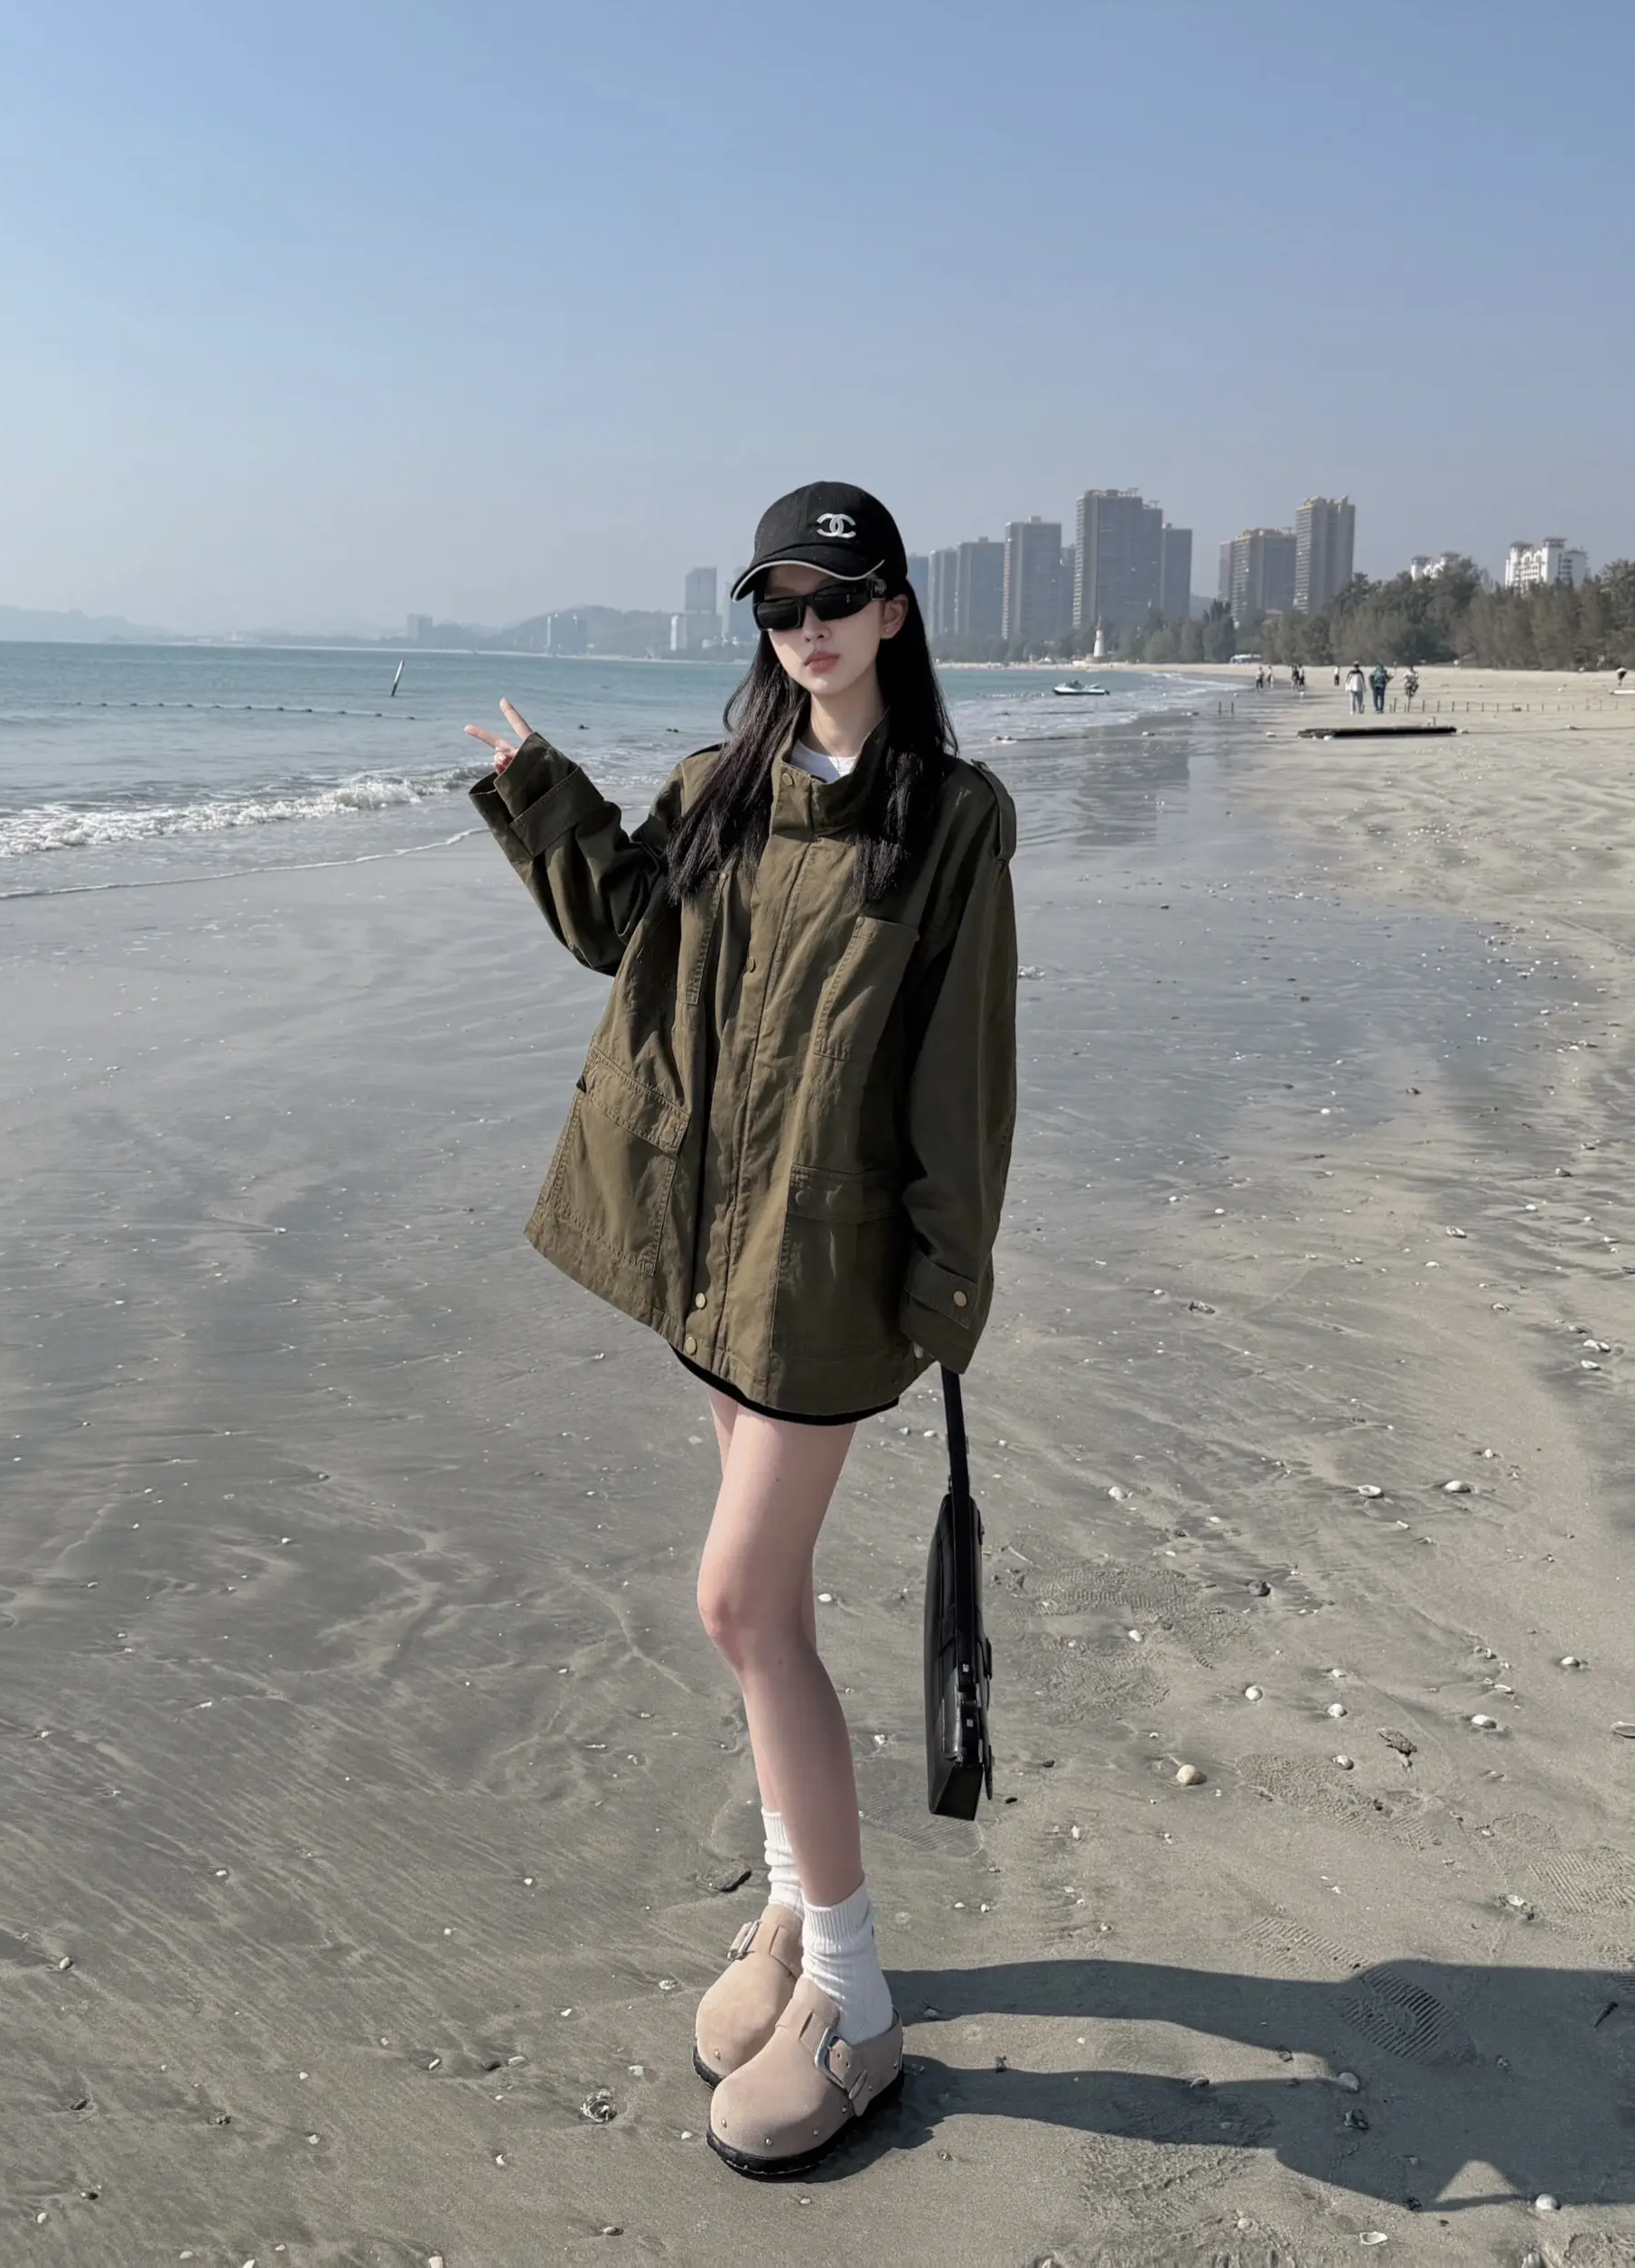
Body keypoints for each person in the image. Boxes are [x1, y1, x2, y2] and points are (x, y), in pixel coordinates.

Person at [465, 482, 1017, 2177]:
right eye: (780, 604)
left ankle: (853, 2001)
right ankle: (790, 1915)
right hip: (711, 1261)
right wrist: (542, 793)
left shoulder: (952, 821)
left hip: (827, 1276)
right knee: (766, 1610)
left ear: (895, 609)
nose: (809, 628)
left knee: (736, 1603)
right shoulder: (721, 788)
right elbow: (624, 933)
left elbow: (966, 1071)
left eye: (837, 597)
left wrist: (942, 1293)